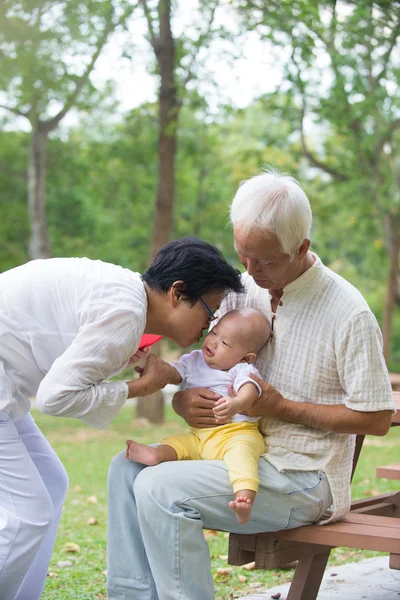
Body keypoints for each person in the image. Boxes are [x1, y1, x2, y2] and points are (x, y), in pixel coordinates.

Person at [107, 170, 395, 600]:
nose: (250, 271)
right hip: (229, 454)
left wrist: (282, 409)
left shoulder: (348, 313)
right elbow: (201, 369)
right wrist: (184, 402)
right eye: (243, 255)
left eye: (264, 260)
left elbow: (377, 419)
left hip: (303, 476)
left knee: (159, 487)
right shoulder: (242, 293)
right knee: (125, 469)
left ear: (301, 248)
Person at [0, 237, 243, 600]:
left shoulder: (127, 294)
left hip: (8, 387)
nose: (209, 326)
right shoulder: (127, 314)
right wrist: (138, 389)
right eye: (209, 311)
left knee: (52, 484)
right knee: (29, 513)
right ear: (178, 293)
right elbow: (54, 398)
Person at [125, 307, 271, 524]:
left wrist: (236, 404)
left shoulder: (240, 370)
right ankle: (157, 455)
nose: (212, 342)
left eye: (225, 343)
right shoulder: (194, 360)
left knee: (242, 456)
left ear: (245, 357)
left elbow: (250, 389)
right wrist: (153, 370)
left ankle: (244, 498)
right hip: (199, 436)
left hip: (235, 434)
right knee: (178, 443)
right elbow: (173, 373)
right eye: (214, 333)